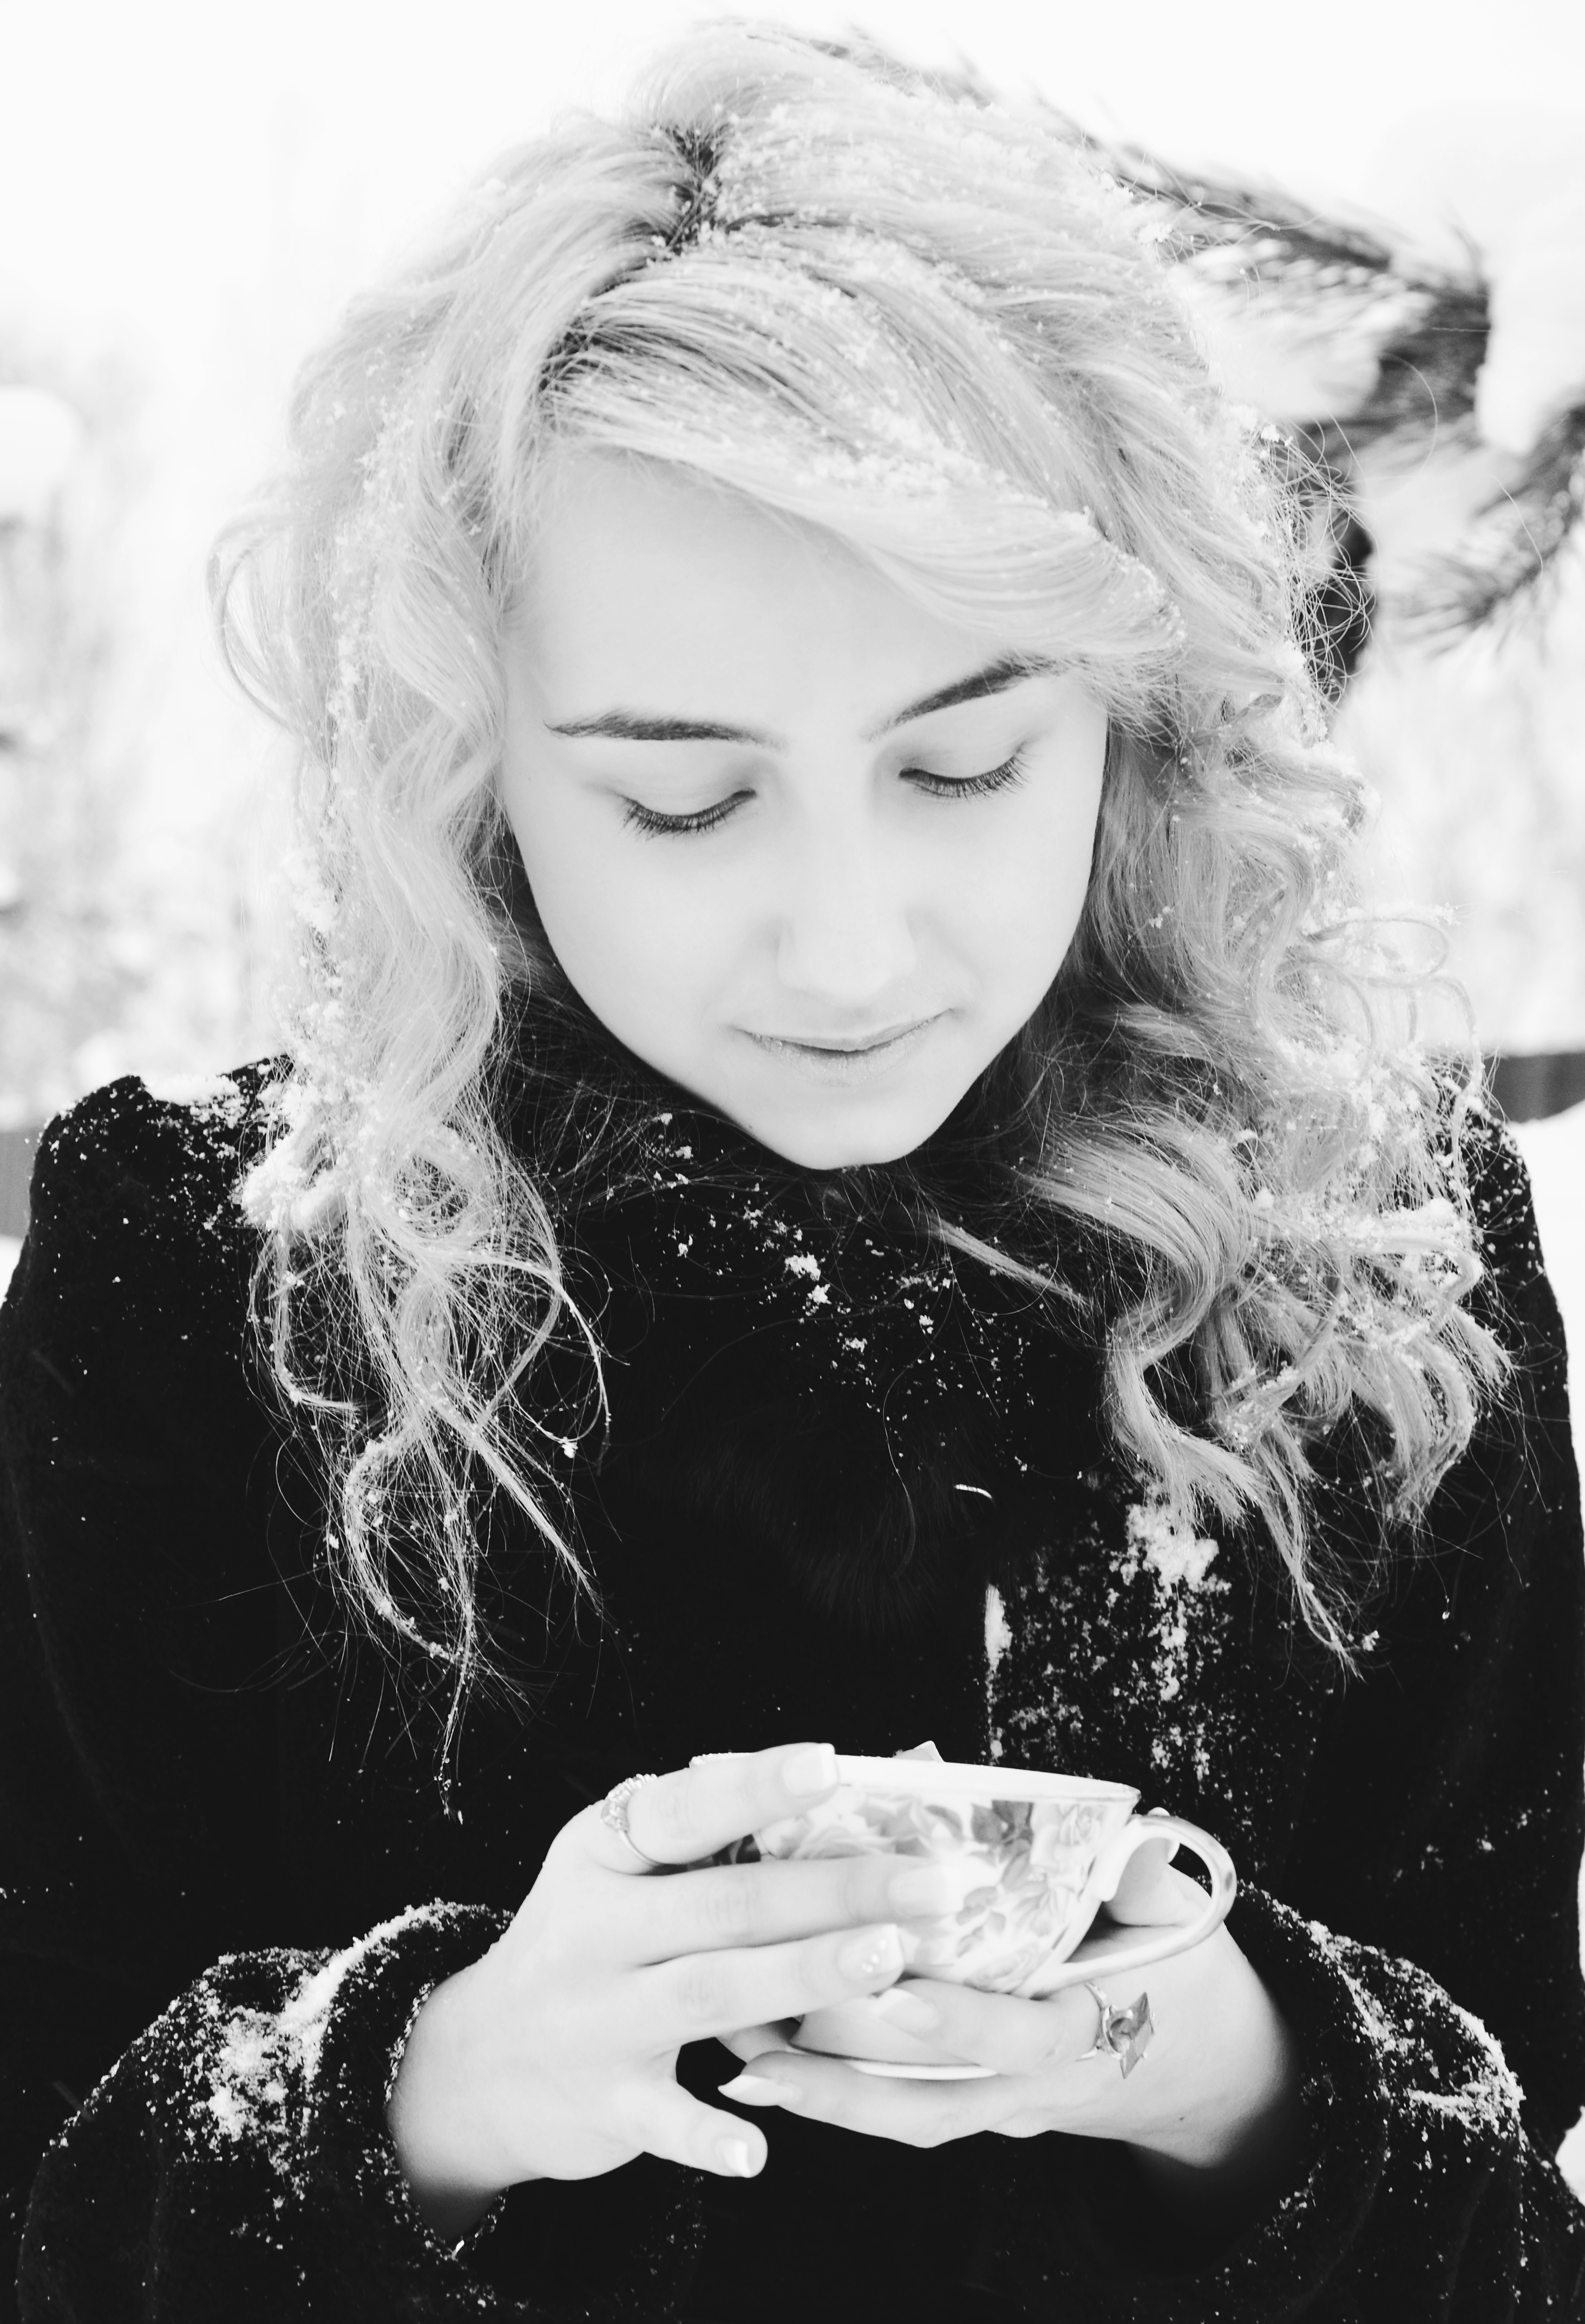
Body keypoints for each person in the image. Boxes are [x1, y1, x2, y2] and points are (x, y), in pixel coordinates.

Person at [3, 22, 1583, 2321]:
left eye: (961, 767)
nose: (849, 949)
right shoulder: (205, 1282)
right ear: (472, 778)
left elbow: (1512, 2217)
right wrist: (439, 2091)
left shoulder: (1381, 1259)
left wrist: (1214, 2069)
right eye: (682, 799)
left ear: (1136, 721)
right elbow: (48, 2203)